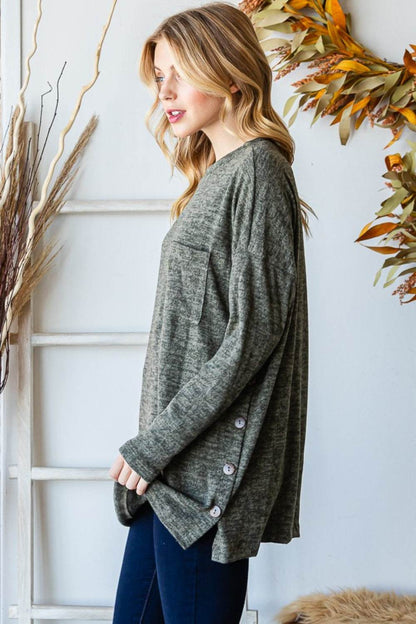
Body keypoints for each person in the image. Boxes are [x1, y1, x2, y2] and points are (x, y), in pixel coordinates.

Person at [108, 2, 312, 623]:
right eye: (159, 77)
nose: (164, 93)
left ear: (229, 73)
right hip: (168, 474)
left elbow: (252, 336)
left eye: (180, 73)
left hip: (201, 482)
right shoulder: (219, 175)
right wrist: (153, 452)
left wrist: (153, 446)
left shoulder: (259, 172)